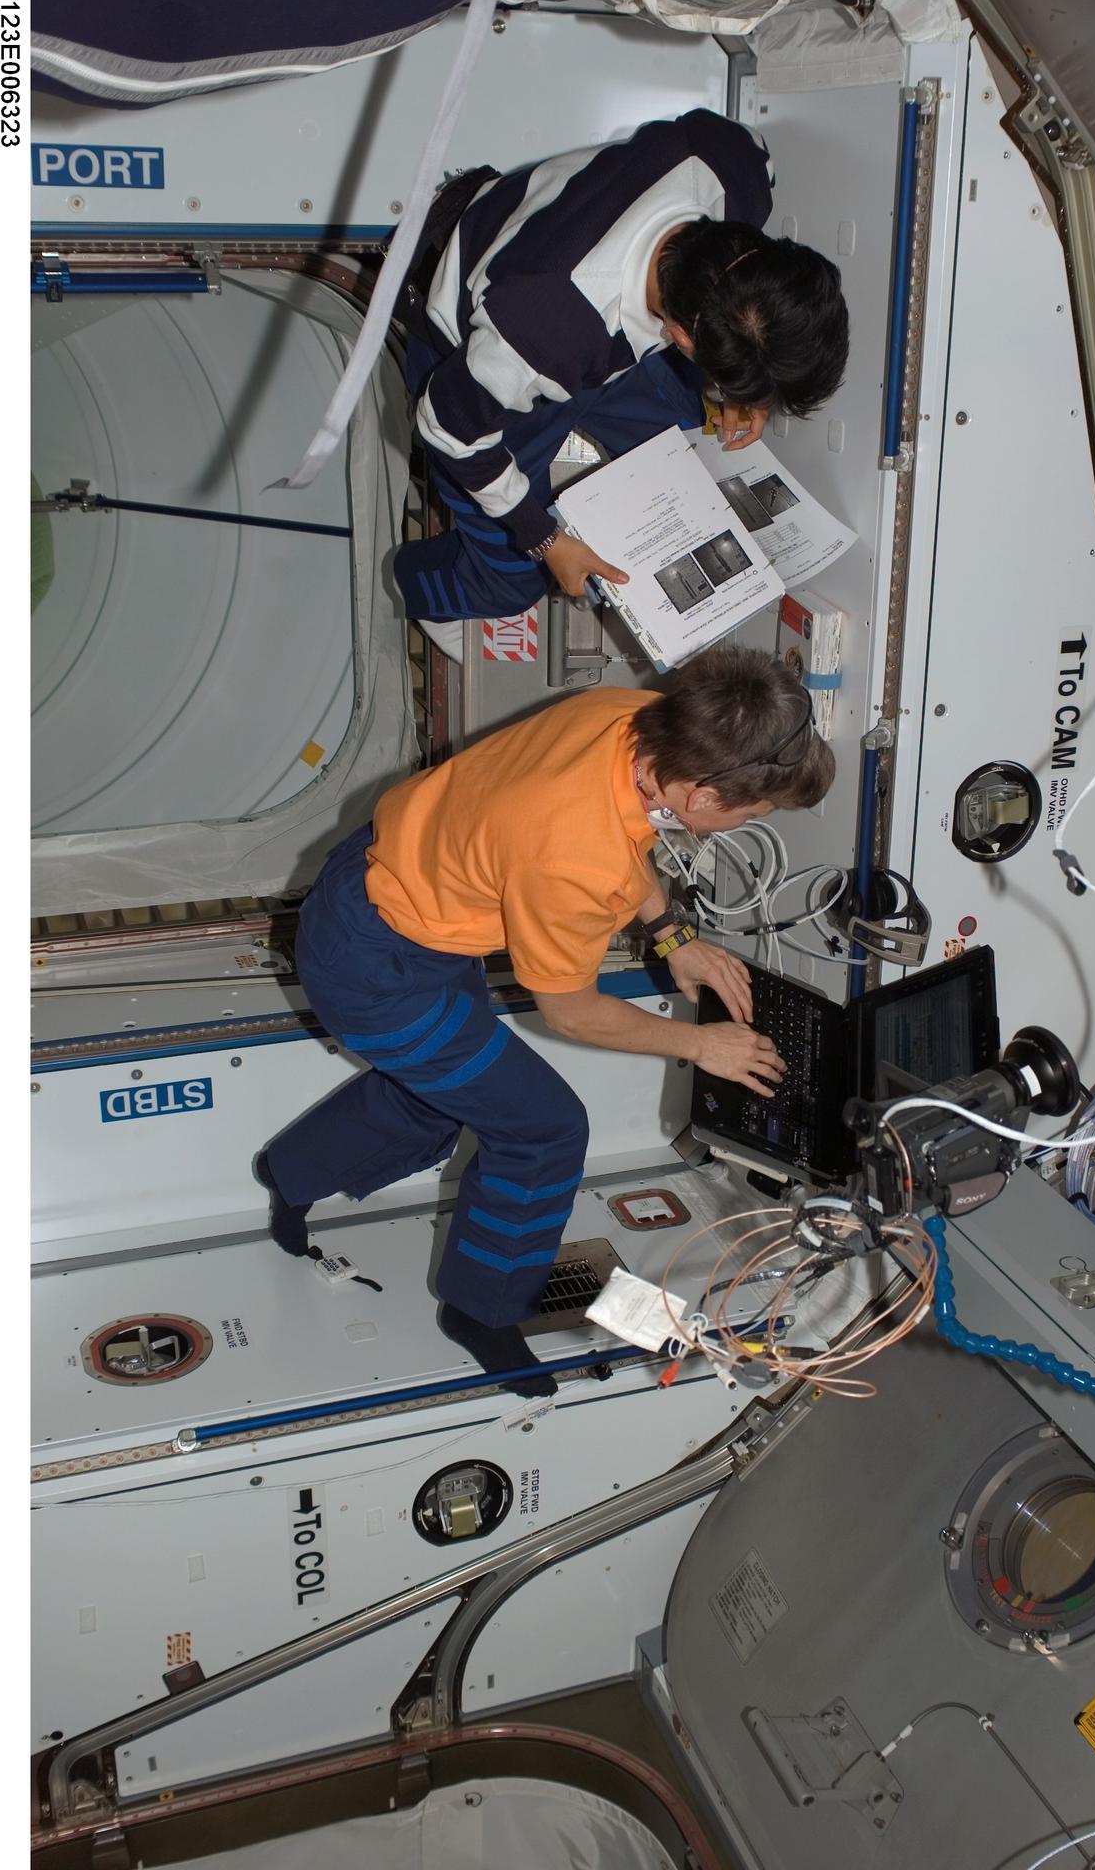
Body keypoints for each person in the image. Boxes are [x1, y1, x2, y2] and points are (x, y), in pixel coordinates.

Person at [254, 645, 834, 1395]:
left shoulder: (633, 719)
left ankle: (292, 1172)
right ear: (698, 792)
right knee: (544, 1130)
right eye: (752, 812)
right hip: (379, 973)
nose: (752, 821)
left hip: (390, 885)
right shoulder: (574, 857)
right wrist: (702, 1045)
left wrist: (673, 934)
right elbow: (570, 1010)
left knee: (439, 1098)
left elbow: (626, 835)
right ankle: (479, 1310)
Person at [391, 108, 850, 625]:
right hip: (462, 356)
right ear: (679, 335)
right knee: (512, 581)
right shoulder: (549, 328)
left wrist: (746, 386)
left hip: (556, 313)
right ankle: (402, 585)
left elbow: (750, 295)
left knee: (687, 432)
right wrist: (544, 539)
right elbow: (446, 427)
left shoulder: (734, 171)